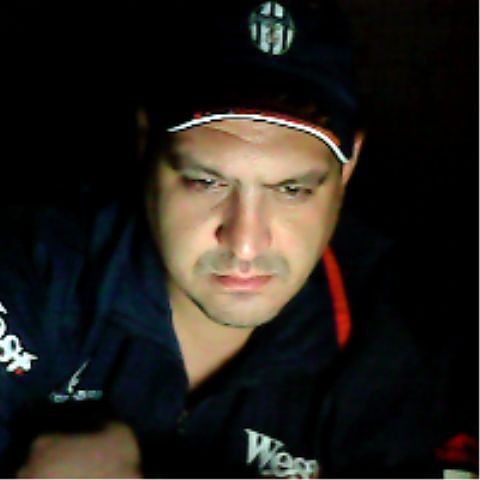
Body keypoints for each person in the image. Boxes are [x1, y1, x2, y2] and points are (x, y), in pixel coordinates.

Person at [0, 0, 477, 477]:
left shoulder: (410, 342)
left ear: (348, 167)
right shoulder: (38, 266)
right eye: (205, 182)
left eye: (292, 189)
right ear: (147, 142)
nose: (245, 243)